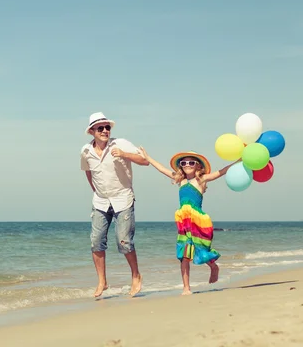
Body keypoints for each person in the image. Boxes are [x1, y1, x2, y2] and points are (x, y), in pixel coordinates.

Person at [137, 147, 237, 295]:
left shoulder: (201, 179)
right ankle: (186, 288)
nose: (187, 165)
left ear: (198, 165)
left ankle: (213, 267)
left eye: (191, 162)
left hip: (198, 221)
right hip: (184, 222)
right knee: (184, 254)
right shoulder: (180, 180)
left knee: (201, 250)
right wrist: (148, 157)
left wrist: (239, 161)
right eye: (184, 163)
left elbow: (221, 172)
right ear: (181, 166)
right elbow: (163, 169)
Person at [80, 112, 149, 298]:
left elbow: (145, 161)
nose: (104, 131)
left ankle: (136, 276)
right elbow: (88, 171)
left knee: (124, 242)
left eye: (107, 127)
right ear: (92, 131)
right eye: (100, 128)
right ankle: (102, 281)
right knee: (96, 241)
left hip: (123, 199)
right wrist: (95, 190)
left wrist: (124, 154)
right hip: (100, 201)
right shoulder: (85, 151)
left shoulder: (121, 144)